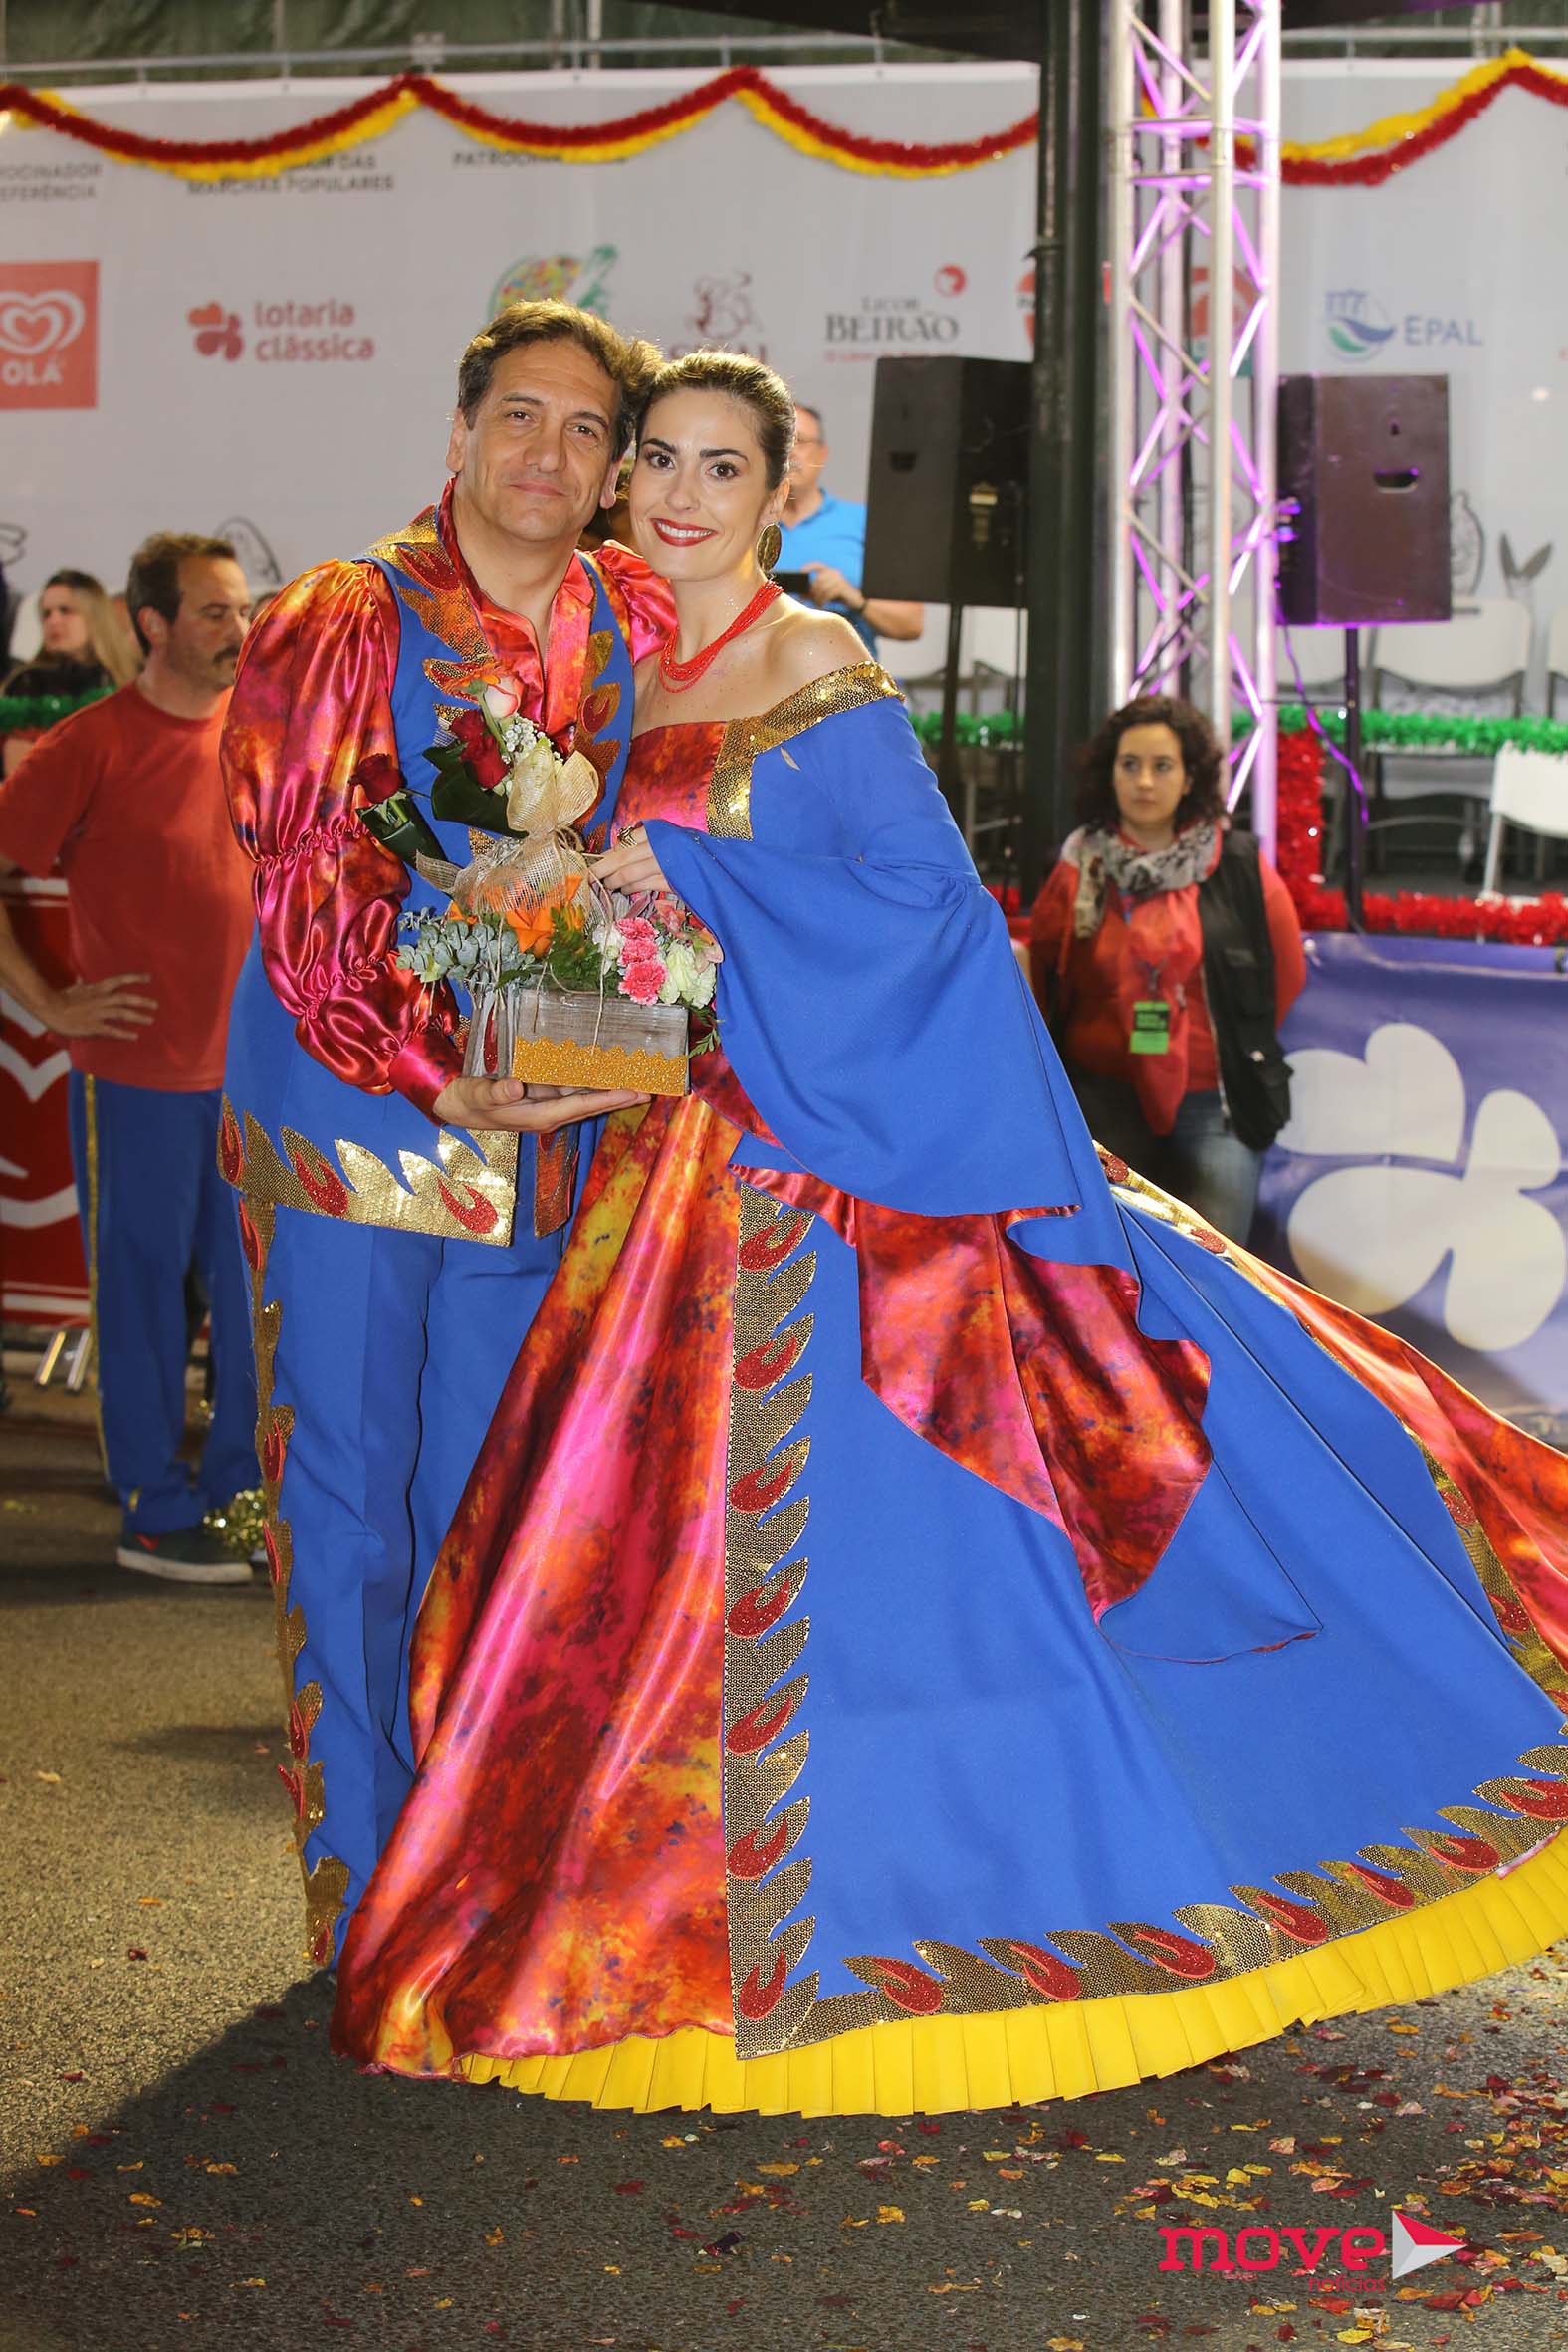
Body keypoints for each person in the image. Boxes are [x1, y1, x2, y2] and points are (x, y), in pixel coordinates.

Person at [333, 353, 1568, 2120]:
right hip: (666, 1174)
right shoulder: (611, 668)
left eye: (722, 469)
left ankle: (917, 1911)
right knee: (631, 1578)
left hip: (829, 1190)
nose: (678, 495)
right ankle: (650, 1926)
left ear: (781, 494)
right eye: (657, 460)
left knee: (895, 1582)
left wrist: (695, 876)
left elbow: (926, 909)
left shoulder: (815, 665)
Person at [219, 299, 674, 1971]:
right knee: (352, 1497)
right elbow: (302, 875)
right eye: (519, 416)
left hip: (545, 1117)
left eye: (584, 429)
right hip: (361, 1114)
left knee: (496, 1499)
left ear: (613, 469)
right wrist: (428, 1064)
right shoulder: (349, 614)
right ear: (461, 431)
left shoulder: (634, 614)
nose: (547, 452)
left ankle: (475, 1863)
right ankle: (368, 1895)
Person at [0, 533, 258, 1581]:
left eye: (242, 609)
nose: (240, 629)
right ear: (153, 625)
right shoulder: (93, 742)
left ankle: (242, 1499)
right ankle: (153, 1506)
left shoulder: (262, 735)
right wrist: (52, 1001)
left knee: (252, 1298)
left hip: (254, 1078)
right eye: (214, 612)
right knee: (143, 1296)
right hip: (136, 1076)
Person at [1027, 696, 1306, 1243]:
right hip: (1101, 1099)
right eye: (1129, 764)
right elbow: (1045, 979)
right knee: (1111, 1268)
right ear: (1109, 774)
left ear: (1189, 777)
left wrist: (1223, 1043)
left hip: (1216, 1102)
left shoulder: (1240, 866)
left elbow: (1286, 975)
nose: (1144, 782)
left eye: (1162, 766)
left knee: (1214, 1267)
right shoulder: (1077, 868)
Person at [776, 401, 923, 658]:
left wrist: (854, 599)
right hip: (760, 677)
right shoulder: (745, 525)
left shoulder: (865, 523)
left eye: (801, 441)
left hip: (848, 676)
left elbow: (911, 623)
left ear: (822, 454)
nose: (791, 452)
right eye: (781, 442)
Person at [3, 570, 139, 776]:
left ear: (95, 616)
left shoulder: (130, 680)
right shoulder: (28, 682)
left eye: (65, 611)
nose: (53, 621)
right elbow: (21, 775)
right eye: (46, 614)